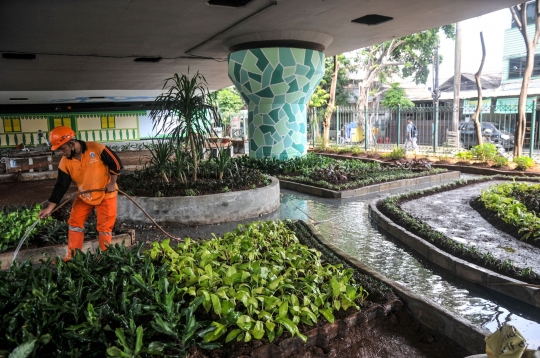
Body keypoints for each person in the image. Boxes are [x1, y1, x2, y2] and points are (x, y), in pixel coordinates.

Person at [38, 126, 123, 260]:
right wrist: (50, 207)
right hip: (84, 196)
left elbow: (116, 164)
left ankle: (104, 258)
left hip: (106, 195)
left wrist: (112, 183)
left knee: (104, 228)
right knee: (74, 224)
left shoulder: (96, 148)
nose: (61, 152)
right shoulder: (65, 162)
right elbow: (61, 185)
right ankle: (73, 257)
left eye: (62, 148)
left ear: (72, 144)